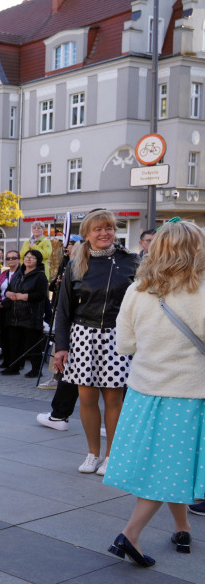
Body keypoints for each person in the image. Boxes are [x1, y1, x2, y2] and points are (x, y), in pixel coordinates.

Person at [103, 220, 204, 566]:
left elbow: (125, 344)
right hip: (187, 393)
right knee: (169, 467)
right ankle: (129, 535)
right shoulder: (201, 288)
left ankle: (182, 527)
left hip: (144, 390)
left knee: (167, 464)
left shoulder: (137, 290)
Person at [53, 209, 139, 475]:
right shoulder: (76, 263)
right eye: (98, 229)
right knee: (86, 397)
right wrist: (61, 346)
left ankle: (113, 455)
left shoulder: (130, 261)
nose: (104, 233)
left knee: (114, 398)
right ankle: (92, 453)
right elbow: (63, 309)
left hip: (117, 335)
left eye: (109, 228)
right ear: (87, 234)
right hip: (82, 335)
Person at [37, 235, 83, 430]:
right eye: (67, 245)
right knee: (70, 371)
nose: (68, 248)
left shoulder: (92, 265)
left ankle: (59, 414)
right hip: (76, 326)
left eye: (72, 245)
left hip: (87, 327)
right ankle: (59, 414)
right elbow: (53, 286)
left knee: (76, 373)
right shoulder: (71, 264)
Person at [0, 250, 48, 377]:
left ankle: (36, 369)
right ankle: (14, 366)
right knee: (14, 342)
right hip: (14, 314)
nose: (28, 259)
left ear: (38, 261)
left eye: (32, 258)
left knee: (32, 343)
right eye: (27, 257)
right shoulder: (18, 273)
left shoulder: (40, 276)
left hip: (31, 314)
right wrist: (8, 294)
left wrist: (24, 296)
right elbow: (8, 289)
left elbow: (41, 295)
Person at [0, 249, 21, 366]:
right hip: (3, 307)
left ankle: (15, 362)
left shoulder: (21, 273)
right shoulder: (4, 274)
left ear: (19, 259)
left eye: (13, 258)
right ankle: (6, 359)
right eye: (8, 258)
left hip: (16, 308)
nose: (10, 260)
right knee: (4, 334)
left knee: (14, 336)